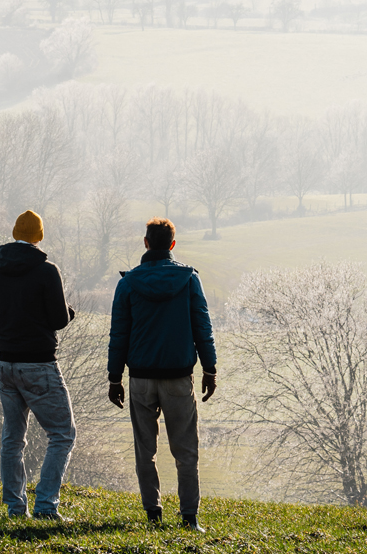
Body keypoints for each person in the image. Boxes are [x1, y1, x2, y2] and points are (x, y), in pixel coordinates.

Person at [107, 217, 216, 532]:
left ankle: (153, 515)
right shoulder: (188, 280)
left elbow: (119, 336)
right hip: (179, 378)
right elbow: (202, 327)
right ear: (172, 245)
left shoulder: (127, 284)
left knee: (146, 450)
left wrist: (115, 378)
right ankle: (189, 518)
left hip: (140, 379)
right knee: (186, 451)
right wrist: (209, 368)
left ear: (145, 243)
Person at [0, 209, 76, 521]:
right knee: (62, 433)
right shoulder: (47, 270)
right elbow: (59, 320)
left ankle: (14, 507)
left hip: (6, 363)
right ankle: (46, 507)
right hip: (39, 364)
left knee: (13, 437)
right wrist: (69, 312)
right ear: (39, 236)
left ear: (13, 233)